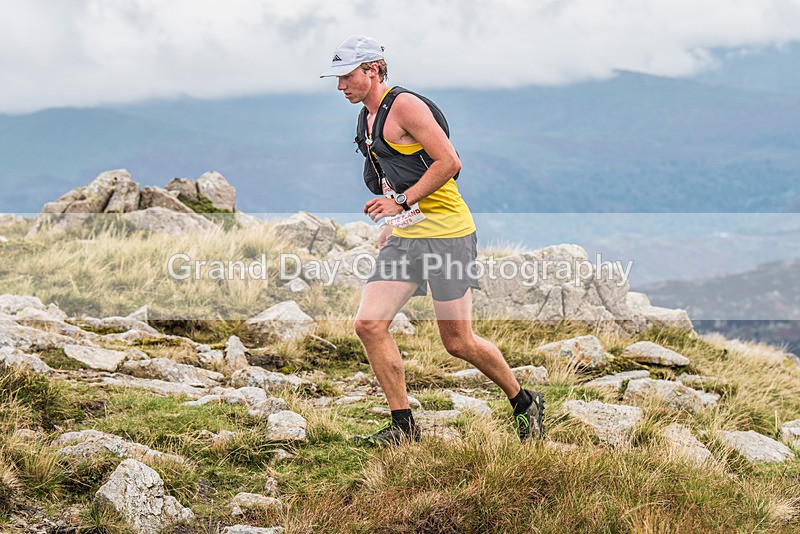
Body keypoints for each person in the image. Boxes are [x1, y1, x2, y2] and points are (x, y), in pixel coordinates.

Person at [320, 35, 543, 446]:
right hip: (408, 236)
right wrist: (396, 217)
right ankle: (403, 426)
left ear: (373, 70)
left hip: (448, 237)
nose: (340, 86)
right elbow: (394, 173)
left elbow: (450, 162)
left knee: (458, 342)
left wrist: (401, 202)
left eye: (347, 76)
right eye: (337, 78)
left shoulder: (405, 106)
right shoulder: (366, 118)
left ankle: (524, 401)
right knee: (369, 324)